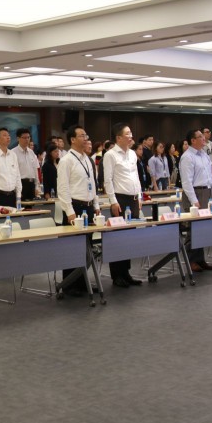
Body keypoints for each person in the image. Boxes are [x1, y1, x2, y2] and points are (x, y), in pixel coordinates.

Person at [56, 125, 100, 295]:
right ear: (72, 140)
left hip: (88, 207)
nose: (85, 138)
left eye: (86, 135)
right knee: (72, 248)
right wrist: (69, 211)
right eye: (82, 135)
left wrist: (96, 205)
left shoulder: (87, 159)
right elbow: (63, 188)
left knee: (86, 247)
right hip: (75, 207)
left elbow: (93, 184)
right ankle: (69, 285)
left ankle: (82, 282)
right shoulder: (66, 160)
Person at [103, 122, 143, 287]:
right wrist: (113, 201)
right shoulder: (110, 155)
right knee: (118, 238)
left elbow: (136, 176)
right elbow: (108, 180)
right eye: (127, 133)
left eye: (131, 132)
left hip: (133, 199)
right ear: (118, 137)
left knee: (129, 238)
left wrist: (139, 196)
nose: (131, 136)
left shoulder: (132, 154)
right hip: (120, 199)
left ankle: (126, 272)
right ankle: (117, 275)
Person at [179, 129, 212, 271]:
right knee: (193, 228)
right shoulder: (187, 157)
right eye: (200, 136)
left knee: (203, 228)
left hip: (206, 192)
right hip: (195, 193)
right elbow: (186, 182)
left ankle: (200, 259)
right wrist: (194, 200)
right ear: (193, 140)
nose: (203, 138)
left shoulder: (204, 155)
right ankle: (191, 260)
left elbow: (210, 177)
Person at [13, 128, 41, 199]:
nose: (27, 140)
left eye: (28, 137)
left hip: (31, 183)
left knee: (31, 205)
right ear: (18, 138)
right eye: (24, 138)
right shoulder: (13, 153)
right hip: (21, 184)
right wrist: (16, 188)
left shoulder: (31, 152)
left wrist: (37, 186)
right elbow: (12, 172)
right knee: (21, 205)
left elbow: (35, 170)